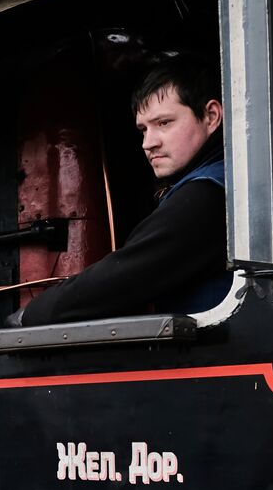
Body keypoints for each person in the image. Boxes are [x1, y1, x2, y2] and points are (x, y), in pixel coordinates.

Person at [11, 57, 229, 327]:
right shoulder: (213, 182)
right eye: (143, 130)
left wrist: (30, 315)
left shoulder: (208, 194)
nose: (148, 143)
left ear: (211, 117)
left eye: (164, 123)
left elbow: (125, 276)